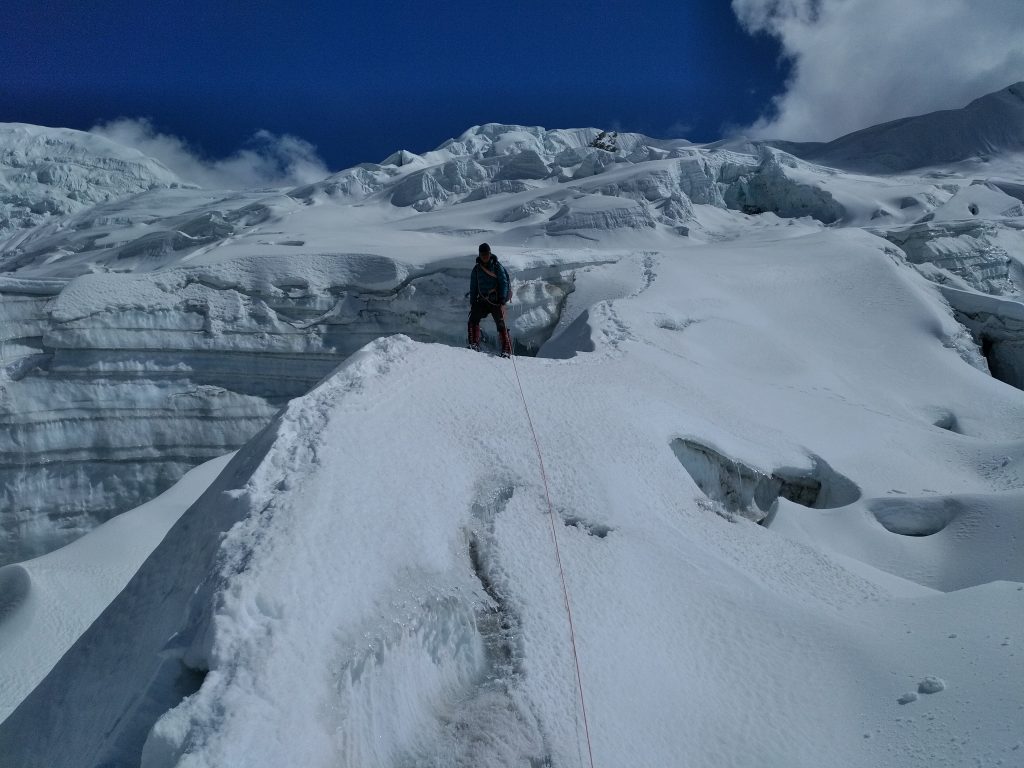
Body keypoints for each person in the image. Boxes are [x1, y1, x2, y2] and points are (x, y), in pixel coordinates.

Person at [468, 243, 513, 356]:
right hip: (483, 300)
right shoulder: (476, 269)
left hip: (496, 300)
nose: (485, 256)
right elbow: (473, 287)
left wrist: (502, 299)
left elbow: (504, 283)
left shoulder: (497, 266)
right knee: (473, 318)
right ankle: (474, 344)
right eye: (483, 254)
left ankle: (506, 350)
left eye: (486, 254)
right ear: (480, 255)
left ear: (490, 253)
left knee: (501, 323)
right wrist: (473, 302)